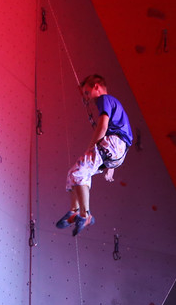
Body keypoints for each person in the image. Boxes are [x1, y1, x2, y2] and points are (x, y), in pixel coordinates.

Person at [56, 74, 131, 237]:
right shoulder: (112, 104)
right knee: (74, 173)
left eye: (87, 93)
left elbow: (102, 126)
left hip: (114, 144)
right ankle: (74, 211)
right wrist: (110, 165)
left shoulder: (105, 99)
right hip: (117, 151)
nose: (88, 98)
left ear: (97, 87)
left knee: (79, 172)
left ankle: (85, 215)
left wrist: (91, 148)